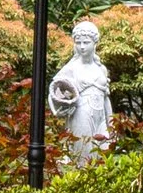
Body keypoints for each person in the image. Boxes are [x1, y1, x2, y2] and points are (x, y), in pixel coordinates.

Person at [47, 19, 113, 169]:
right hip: (81, 114)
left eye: (86, 42)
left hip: (100, 116)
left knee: (104, 154)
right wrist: (62, 105)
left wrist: (111, 124)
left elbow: (105, 98)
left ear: (94, 43)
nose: (82, 47)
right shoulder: (72, 68)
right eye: (78, 43)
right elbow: (55, 91)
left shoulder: (101, 68)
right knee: (84, 157)